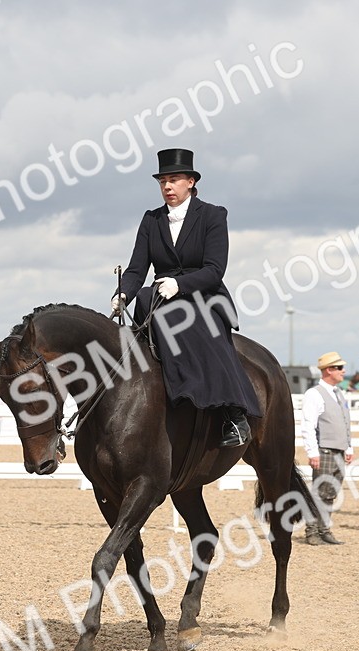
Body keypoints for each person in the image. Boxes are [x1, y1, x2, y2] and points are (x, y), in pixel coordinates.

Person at [112, 148, 260, 448]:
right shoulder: (151, 220)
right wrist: (123, 293)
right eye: (163, 181)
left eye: (174, 179)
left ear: (190, 182)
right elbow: (138, 267)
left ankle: (234, 414)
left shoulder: (213, 215)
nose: (167, 186)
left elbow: (215, 269)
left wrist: (180, 285)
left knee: (194, 328)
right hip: (158, 296)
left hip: (203, 295)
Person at [300, 351, 355, 545]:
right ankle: (312, 531)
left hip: (339, 451)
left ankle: (324, 529)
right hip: (324, 450)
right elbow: (308, 424)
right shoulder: (314, 394)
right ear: (329, 370)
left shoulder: (339, 394)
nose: (343, 371)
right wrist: (312, 452)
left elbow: (344, 422)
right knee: (318, 492)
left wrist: (348, 447)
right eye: (339, 368)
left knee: (331, 493)